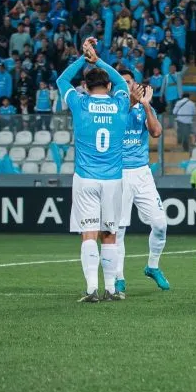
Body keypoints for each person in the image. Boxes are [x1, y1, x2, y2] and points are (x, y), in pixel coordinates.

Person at [58, 38, 134, 303]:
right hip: (113, 179)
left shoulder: (80, 103)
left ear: (85, 87)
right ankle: (112, 289)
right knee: (110, 233)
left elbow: (61, 81)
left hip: (85, 178)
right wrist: (97, 59)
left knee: (88, 233)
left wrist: (82, 58)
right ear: (109, 86)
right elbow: (124, 84)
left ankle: (92, 289)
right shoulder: (120, 103)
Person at [114, 70, 169, 295]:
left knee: (160, 224)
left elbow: (156, 132)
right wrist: (132, 102)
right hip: (118, 174)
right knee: (118, 230)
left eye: (129, 82)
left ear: (135, 84)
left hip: (142, 173)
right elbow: (116, 126)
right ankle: (118, 277)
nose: (126, 86)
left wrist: (145, 105)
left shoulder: (144, 107)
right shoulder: (113, 108)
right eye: (122, 83)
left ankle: (152, 266)